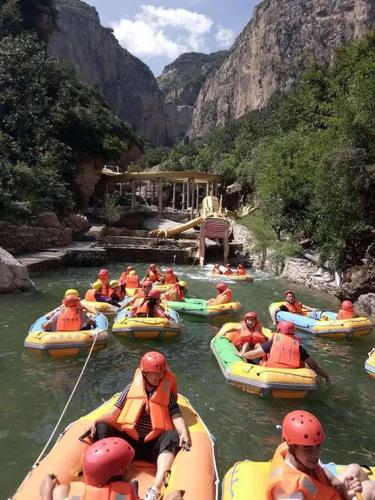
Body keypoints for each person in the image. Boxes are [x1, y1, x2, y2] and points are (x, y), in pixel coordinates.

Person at [88, 351, 191, 500]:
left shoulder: (165, 393)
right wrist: (95, 421)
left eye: (161, 373)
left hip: (152, 445)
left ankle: (155, 488)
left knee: (173, 436)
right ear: (144, 373)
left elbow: (176, 415)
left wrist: (184, 432)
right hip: (129, 444)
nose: (159, 377)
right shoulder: (130, 389)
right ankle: (114, 482)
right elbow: (113, 414)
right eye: (155, 373)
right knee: (102, 428)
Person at [267, 410, 375, 500]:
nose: (316, 454)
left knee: (355, 468)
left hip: (326, 495)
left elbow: (324, 473)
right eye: (307, 448)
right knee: (371, 489)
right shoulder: (287, 491)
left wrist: (343, 488)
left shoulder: (297, 455)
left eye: (318, 446)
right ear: (291, 447)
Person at [242, 321, 330, 382]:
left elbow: (252, 355)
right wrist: (326, 377)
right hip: (294, 377)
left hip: (271, 375)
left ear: (279, 330)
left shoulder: (271, 344)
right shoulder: (299, 348)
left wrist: (242, 354)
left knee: (260, 359)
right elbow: (314, 365)